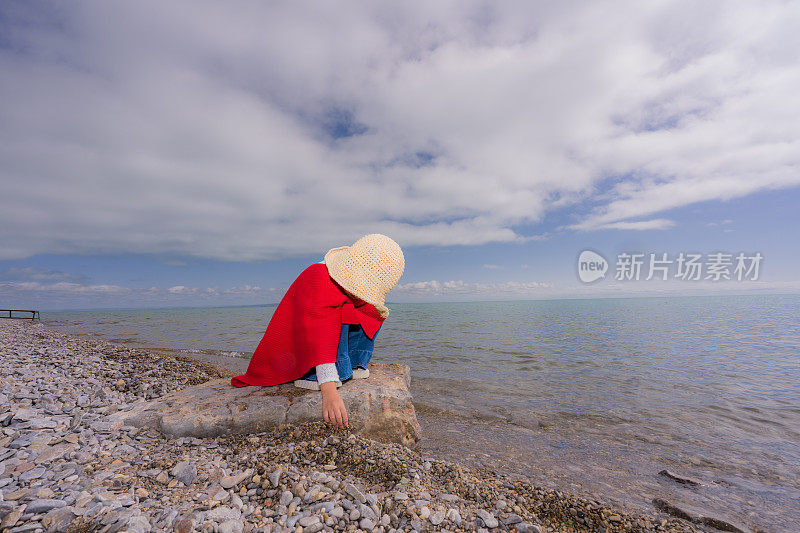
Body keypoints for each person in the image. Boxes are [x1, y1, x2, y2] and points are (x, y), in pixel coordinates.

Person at [230, 233, 405, 429]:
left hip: (321, 327)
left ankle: (352, 363)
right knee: (336, 315)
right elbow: (319, 331)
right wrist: (329, 390)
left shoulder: (344, 279)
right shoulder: (318, 277)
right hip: (298, 345)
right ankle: (311, 375)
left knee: (371, 311)